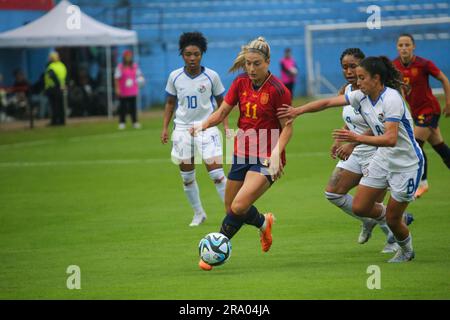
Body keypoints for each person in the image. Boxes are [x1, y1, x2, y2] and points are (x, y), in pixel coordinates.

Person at [278, 56, 423, 263]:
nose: (358, 82)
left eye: (362, 77)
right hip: (383, 159)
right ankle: (394, 218)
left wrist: (356, 139)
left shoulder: (391, 99)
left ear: (376, 78)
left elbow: (391, 139)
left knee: (392, 218)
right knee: (360, 207)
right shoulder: (361, 96)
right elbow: (327, 102)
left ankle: (407, 251)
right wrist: (298, 111)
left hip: (406, 164)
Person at [191, 36, 293, 270]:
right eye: (248, 63)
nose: (251, 68)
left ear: (268, 62)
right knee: (232, 208)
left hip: (268, 155)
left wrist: (277, 154)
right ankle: (263, 222)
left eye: (256, 63)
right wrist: (202, 126)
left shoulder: (279, 90)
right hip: (242, 150)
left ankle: (212, 253)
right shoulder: (240, 83)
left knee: (238, 207)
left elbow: (287, 127)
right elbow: (222, 112)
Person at [325, 48, 412, 254]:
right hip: (354, 151)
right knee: (332, 193)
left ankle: (394, 241)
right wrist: (339, 140)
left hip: (376, 152)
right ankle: (370, 220)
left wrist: (352, 143)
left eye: (353, 66)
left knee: (373, 203)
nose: (348, 71)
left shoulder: (381, 93)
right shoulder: (346, 90)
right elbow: (349, 121)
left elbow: (378, 125)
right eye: (344, 67)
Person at [161, 32, 229, 227]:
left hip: (207, 127)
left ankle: (231, 212)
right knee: (187, 177)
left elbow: (223, 103)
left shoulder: (211, 76)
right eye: (188, 54)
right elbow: (170, 103)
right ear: (182, 54)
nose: (192, 58)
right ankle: (199, 213)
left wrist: (224, 126)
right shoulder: (174, 77)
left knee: (217, 174)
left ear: (202, 54)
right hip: (182, 130)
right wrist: (165, 128)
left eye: (196, 54)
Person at [393, 33, 450, 198]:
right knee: (440, 147)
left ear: (413, 46)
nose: (404, 48)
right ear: (397, 47)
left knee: (413, 145)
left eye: (407, 45)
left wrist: (448, 102)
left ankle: (423, 182)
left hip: (429, 110)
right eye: (401, 45)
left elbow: (444, 79)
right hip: (415, 113)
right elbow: (398, 89)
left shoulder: (423, 64)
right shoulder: (394, 65)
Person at [114, 50, 144, 130]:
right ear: (124, 57)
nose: (128, 58)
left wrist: (141, 80)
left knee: (133, 108)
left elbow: (140, 76)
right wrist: (117, 88)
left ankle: (135, 122)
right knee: (123, 108)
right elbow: (116, 78)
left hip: (132, 90)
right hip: (123, 91)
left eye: (130, 56)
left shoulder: (134, 66)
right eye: (127, 56)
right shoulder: (120, 67)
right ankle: (122, 123)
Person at [44, 51, 67, 126]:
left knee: (54, 106)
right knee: (60, 105)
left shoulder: (51, 66)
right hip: (61, 88)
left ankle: (54, 121)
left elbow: (53, 77)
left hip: (53, 88)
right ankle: (62, 121)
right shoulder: (62, 65)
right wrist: (62, 85)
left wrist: (58, 85)